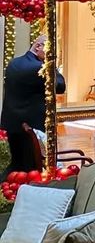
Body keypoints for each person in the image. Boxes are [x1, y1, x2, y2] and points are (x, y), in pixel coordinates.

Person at [1, 35, 65, 175]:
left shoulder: (13, 63)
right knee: (30, 169)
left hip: (13, 124)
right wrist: (51, 64)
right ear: (38, 47)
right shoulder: (38, 68)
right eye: (50, 51)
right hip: (31, 125)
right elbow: (60, 86)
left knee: (16, 165)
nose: (51, 54)